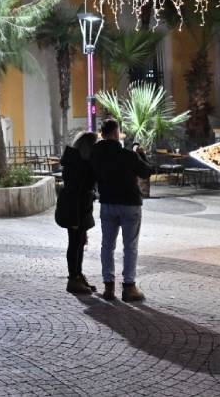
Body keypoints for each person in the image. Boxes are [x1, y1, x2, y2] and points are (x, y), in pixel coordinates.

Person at [92, 119, 152, 303]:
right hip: (129, 204)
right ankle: (129, 287)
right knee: (130, 247)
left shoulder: (95, 154)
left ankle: (108, 286)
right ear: (117, 133)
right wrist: (141, 156)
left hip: (108, 203)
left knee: (107, 246)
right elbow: (146, 172)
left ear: (102, 134)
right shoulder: (127, 155)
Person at [59, 131, 99, 295]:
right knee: (74, 243)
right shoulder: (77, 165)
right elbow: (75, 192)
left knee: (79, 242)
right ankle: (73, 278)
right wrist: (75, 218)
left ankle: (78, 275)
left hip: (81, 209)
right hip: (75, 210)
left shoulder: (80, 162)